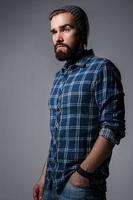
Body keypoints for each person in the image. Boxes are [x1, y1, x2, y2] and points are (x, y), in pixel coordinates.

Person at [33, 5, 125, 200]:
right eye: (54, 31)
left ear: (81, 32)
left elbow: (113, 127)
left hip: (80, 187)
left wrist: (82, 174)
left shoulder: (102, 69)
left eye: (65, 29)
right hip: (51, 183)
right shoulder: (60, 77)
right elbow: (57, 135)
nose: (58, 37)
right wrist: (43, 176)